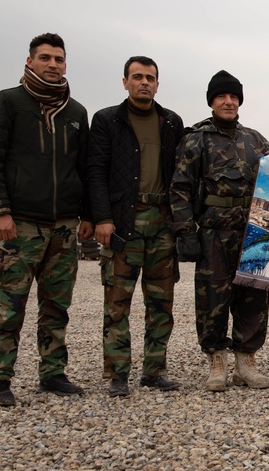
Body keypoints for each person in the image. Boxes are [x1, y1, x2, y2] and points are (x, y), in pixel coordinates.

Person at [0, 33, 94, 406]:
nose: (53, 64)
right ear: (30, 62)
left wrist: (87, 215)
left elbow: (85, 168)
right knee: (10, 305)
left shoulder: (75, 113)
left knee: (57, 306)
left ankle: (53, 373)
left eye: (59, 59)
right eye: (45, 58)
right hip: (20, 223)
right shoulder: (6, 103)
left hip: (63, 226)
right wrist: (0, 210)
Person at [170, 70, 269, 392]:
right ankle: (217, 359)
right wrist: (185, 230)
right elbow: (180, 189)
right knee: (212, 297)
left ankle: (246, 360)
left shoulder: (257, 141)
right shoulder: (196, 139)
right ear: (212, 101)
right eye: (221, 97)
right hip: (214, 232)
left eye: (233, 97)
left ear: (239, 101)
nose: (228, 102)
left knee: (253, 297)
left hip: (252, 233)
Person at [87, 56, 185, 397]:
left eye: (151, 78)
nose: (144, 82)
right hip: (123, 223)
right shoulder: (107, 120)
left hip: (162, 223)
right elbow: (95, 171)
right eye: (138, 77)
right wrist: (101, 217)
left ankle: (154, 370)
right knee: (117, 302)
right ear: (125, 81)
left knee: (161, 303)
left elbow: (180, 177)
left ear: (158, 84)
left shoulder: (171, 122)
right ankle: (117, 374)